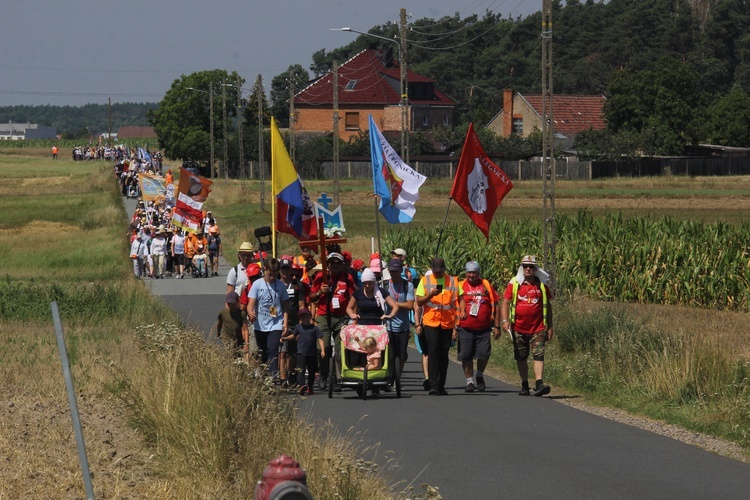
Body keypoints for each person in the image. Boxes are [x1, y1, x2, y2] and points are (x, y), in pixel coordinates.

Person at [500, 255, 554, 397]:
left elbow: (548, 306)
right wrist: (504, 321)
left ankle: (539, 384)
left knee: (539, 355)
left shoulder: (541, 286)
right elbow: (505, 302)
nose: (528, 269)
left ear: (535, 269)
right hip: (518, 328)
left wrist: (550, 325)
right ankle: (524, 385)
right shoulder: (515, 284)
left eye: (531, 266)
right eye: (525, 266)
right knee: (521, 357)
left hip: (538, 328)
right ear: (522, 268)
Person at [309, 252, 356, 390]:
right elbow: (311, 297)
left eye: (337, 263)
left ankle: (336, 378)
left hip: (341, 317)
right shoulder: (320, 277)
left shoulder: (347, 278)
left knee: (340, 348)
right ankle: (323, 375)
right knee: (323, 348)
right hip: (323, 316)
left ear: (342, 265)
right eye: (331, 262)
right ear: (327, 264)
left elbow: (354, 298)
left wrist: (354, 316)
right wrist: (320, 292)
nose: (334, 265)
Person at [415, 257, 459, 396]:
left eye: (441, 271)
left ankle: (441, 385)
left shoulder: (451, 281)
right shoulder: (425, 280)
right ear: (432, 269)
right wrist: (430, 295)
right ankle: (434, 385)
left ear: (444, 269)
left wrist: (455, 326)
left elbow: (457, 303)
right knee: (433, 352)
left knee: (443, 354)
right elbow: (419, 301)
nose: (438, 273)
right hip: (431, 322)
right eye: (436, 271)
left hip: (447, 323)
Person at [457, 261, 499, 392]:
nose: (472, 275)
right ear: (466, 273)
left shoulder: (485, 285)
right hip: (465, 327)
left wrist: (497, 326)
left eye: (474, 273)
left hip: (484, 328)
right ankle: (469, 381)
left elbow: (496, 304)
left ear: (478, 273)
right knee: (466, 355)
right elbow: (452, 304)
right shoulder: (460, 286)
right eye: (469, 272)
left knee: (483, 354)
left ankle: (480, 375)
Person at [247, 257, 289, 378]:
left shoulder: (280, 286)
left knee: (273, 349)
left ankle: (272, 376)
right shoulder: (257, 284)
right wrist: (250, 312)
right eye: (270, 275)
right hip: (260, 324)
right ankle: (263, 375)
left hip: (275, 323)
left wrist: (284, 323)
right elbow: (250, 304)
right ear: (265, 270)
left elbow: (285, 307)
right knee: (262, 352)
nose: (272, 278)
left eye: (275, 275)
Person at [384, 258, 414, 383]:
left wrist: (394, 304)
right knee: (390, 355)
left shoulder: (408, 285)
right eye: (391, 271)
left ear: (400, 270)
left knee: (401, 355)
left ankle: (397, 378)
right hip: (388, 326)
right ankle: (389, 377)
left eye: (396, 271)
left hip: (403, 326)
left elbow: (410, 305)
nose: (394, 274)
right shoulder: (384, 285)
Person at [278, 257, 306, 388]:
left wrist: (302, 324)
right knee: (282, 352)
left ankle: (292, 375)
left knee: (293, 352)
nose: (284, 271)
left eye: (287, 268)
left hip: (294, 322)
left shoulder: (297, 285)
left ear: (290, 270)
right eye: (282, 268)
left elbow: (301, 305)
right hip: (280, 322)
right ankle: (283, 380)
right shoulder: (276, 284)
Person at [295, 308, 324, 395]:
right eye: (303, 317)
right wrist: (285, 338)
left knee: (312, 371)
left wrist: (323, 350)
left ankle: (310, 387)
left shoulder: (315, 328)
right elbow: (293, 335)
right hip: (301, 352)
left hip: (312, 353)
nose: (306, 319)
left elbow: (320, 339)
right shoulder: (298, 327)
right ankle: (302, 385)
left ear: (310, 317)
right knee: (301, 370)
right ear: (300, 319)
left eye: (307, 316)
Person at [216, 291, 245, 356]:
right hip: (227, 339)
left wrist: (246, 342)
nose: (231, 305)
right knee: (228, 354)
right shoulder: (223, 313)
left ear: (237, 302)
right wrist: (218, 333)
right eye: (229, 303)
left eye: (232, 303)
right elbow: (219, 324)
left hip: (238, 340)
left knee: (238, 356)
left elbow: (245, 328)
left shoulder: (241, 314)